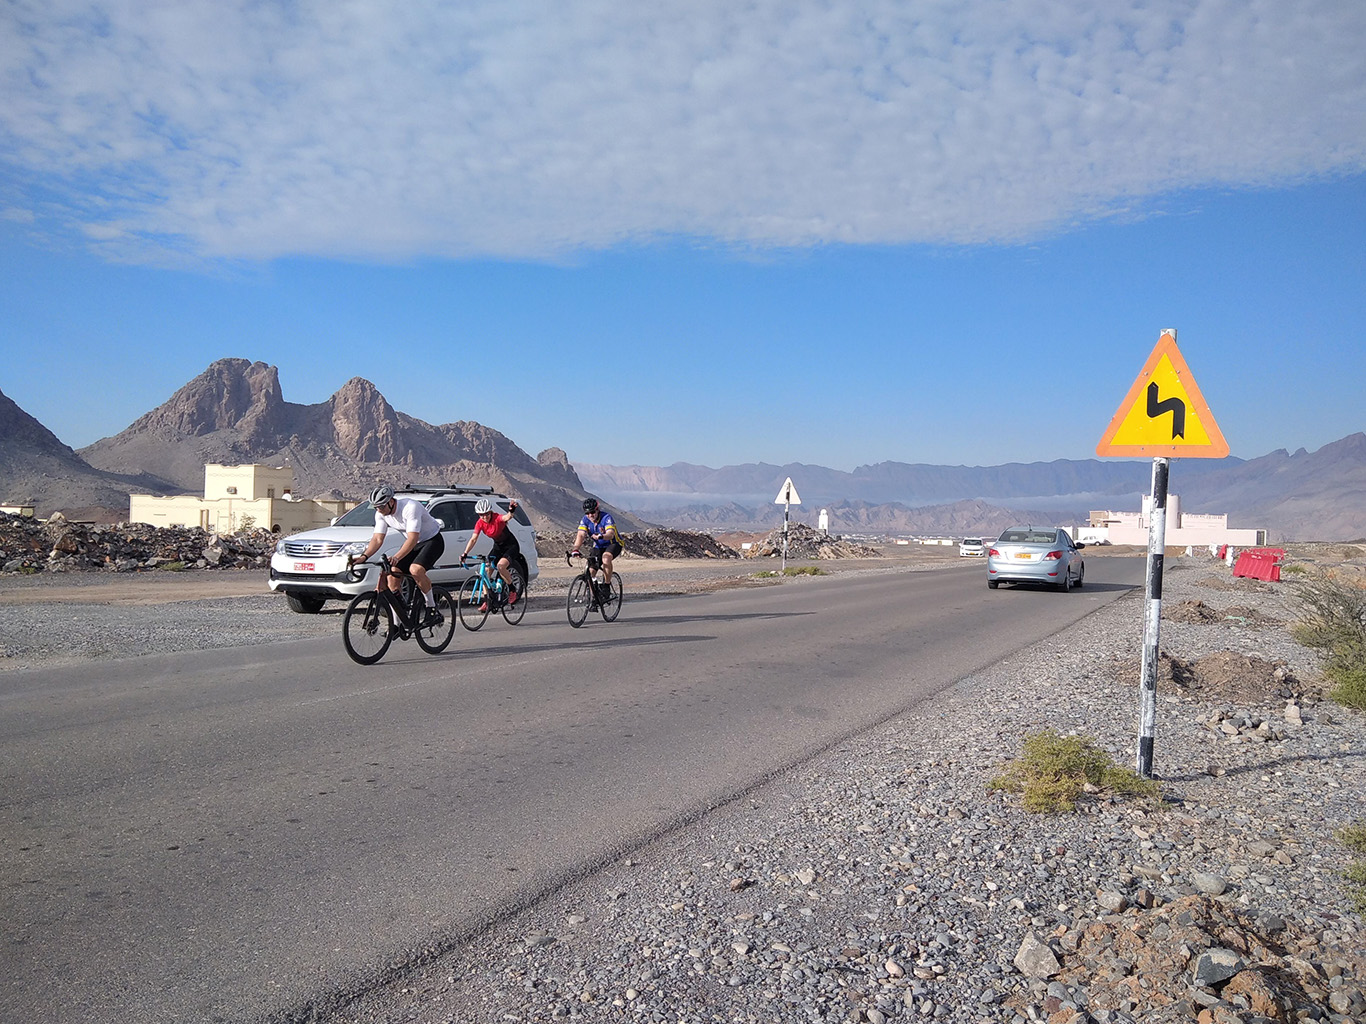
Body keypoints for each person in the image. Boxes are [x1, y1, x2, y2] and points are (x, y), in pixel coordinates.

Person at [352, 484, 446, 626]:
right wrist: (364, 557)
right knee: (392, 575)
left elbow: (413, 538)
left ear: (391, 501)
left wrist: (396, 557)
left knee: (416, 570)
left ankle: (431, 608)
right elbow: (377, 539)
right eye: (376, 507)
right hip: (413, 543)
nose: (379, 510)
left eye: (382, 506)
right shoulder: (381, 514)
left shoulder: (410, 507)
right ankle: (397, 624)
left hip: (432, 541)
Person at [460, 496, 522, 611]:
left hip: (511, 546)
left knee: (500, 566)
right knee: (485, 572)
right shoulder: (480, 523)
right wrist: (465, 553)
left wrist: (511, 510)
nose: (484, 517)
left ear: (491, 512)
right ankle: (487, 601)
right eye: (481, 515)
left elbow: (507, 517)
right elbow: (473, 539)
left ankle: (512, 589)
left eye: (486, 514)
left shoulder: (497, 518)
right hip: (498, 547)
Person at [570, 497, 622, 595]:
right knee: (590, 571)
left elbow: (610, 534)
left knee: (606, 559)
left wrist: (602, 536)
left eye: (592, 512)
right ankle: (594, 597)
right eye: (587, 513)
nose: (590, 515)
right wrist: (576, 549)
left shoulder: (606, 517)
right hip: (598, 546)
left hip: (613, 543)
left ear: (597, 510)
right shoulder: (585, 520)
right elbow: (581, 534)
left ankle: (606, 585)